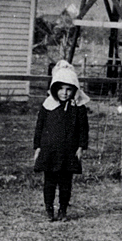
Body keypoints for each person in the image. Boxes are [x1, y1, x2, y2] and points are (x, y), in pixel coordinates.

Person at [33, 60, 90, 222]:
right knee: (49, 182)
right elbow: (39, 127)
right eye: (61, 89)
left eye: (69, 90)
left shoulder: (78, 107)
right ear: (54, 89)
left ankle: (63, 210)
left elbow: (83, 129)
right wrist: (37, 147)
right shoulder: (47, 105)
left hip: (68, 152)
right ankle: (49, 210)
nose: (64, 93)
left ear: (74, 90)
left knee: (65, 183)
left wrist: (81, 147)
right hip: (50, 150)